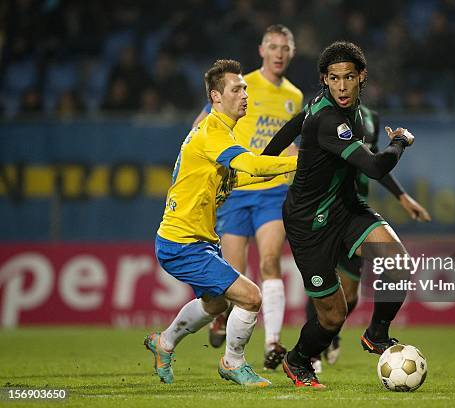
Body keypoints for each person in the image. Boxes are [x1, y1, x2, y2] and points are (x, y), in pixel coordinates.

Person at [264, 41, 416, 388]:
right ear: (324, 80)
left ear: (361, 77)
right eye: (334, 79)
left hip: (346, 208)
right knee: (333, 316)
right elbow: (376, 167)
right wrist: (401, 141)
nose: (342, 86)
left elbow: (292, 125)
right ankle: (298, 359)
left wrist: (265, 160)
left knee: (398, 263)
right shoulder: (331, 119)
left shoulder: (340, 106)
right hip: (309, 224)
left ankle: (377, 334)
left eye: (349, 77)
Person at [144, 59, 297, 387]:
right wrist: (300, 160)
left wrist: (288, 169)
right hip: (182, 243)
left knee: (215, 303)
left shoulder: (218, 134)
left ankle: (164, 343)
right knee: (251, 297)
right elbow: (252, 166)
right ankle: (233, 362)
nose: (245, 94)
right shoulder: (213, 131)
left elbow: (241, 178)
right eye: (236, 89)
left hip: (197, 239)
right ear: (216, 96)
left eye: (245, 88)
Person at [192, 24, 303, 370]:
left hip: (272, 190)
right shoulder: (242, 84)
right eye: (273, 46)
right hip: (237, 190)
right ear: (262, 50)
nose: (279, 53)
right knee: (234, 275)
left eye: (285, 47)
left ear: (292, 52)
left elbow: (289, 140)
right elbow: (203, 124)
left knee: (271, 262)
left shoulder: (295, 97)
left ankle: (272, 343)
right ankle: (220, 317)